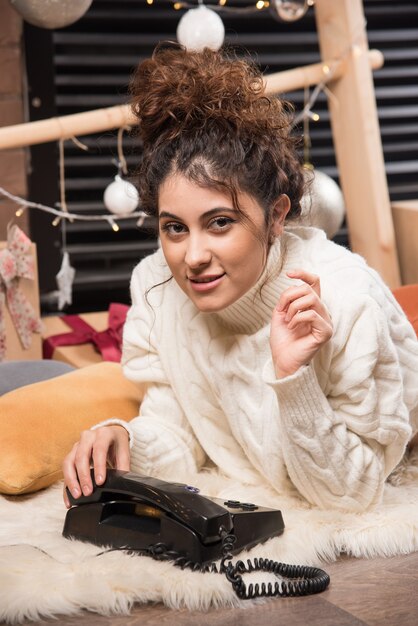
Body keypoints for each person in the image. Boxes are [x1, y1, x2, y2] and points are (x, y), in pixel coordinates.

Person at [63, 43, 418, 513]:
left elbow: (352, 494)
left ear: (276, 216)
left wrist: (294, 379)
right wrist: (121, 441)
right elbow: (180, 432)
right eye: (174, 228)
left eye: (220, 223)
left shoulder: (344, 298)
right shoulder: (157, 287)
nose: (192, 257)